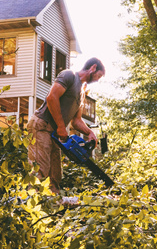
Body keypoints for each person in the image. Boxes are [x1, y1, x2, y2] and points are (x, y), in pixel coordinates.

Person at [26, 57, 105, 194]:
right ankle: (28, 206)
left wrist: (90, 133)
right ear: (92, 68)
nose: (98, 80)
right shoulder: (69, 75)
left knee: (55, 175)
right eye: (98, 75)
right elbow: (52, 97)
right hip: (41, 126)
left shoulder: (81, 92)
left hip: (54, 132)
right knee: (40, 170)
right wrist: (62, 127)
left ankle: (53, 208)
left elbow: (77, 121)